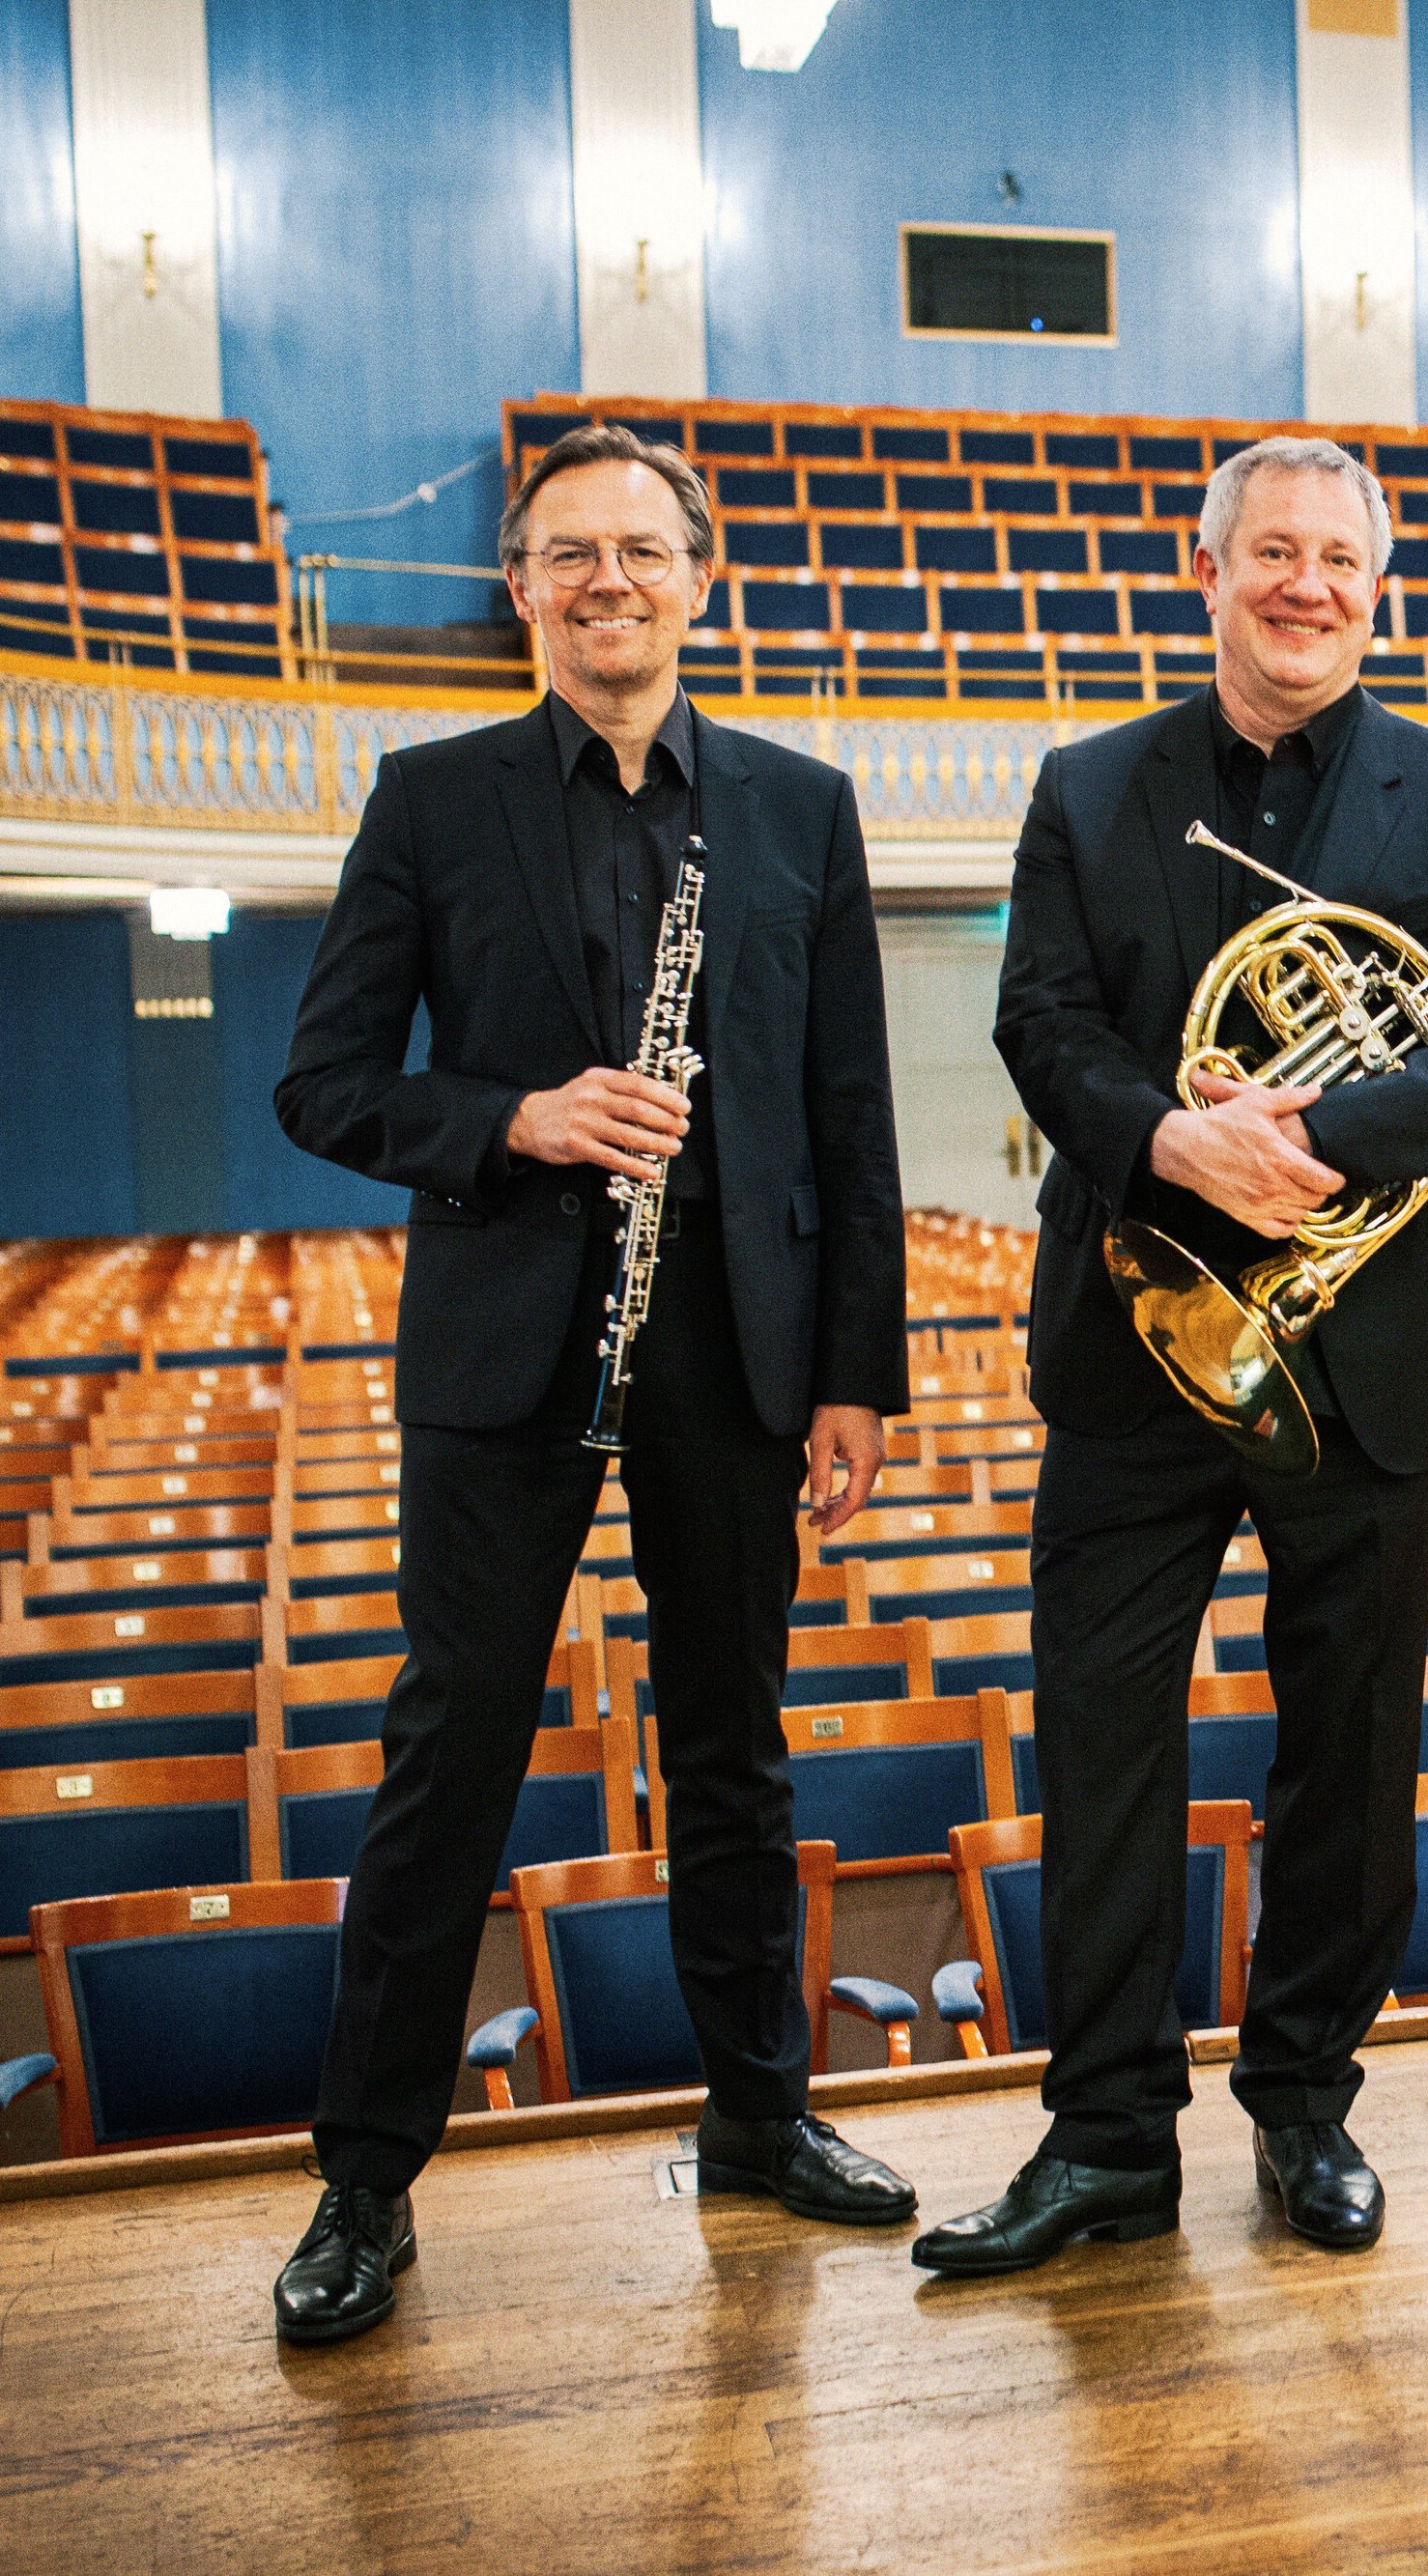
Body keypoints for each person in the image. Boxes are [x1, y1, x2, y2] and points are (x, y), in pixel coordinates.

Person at [270, 423, 913, 2345]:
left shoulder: (800, 806)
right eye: (569, 554)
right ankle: (366, 2181)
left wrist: (856, 1373)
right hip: (506, 1347)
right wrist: (518, 1118)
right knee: (451, 1752)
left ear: (697, 579)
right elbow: (325, 1082)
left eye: (642, 550)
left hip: (736, 1348)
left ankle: (762, 2112)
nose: (606, 580)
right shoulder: (431, 793)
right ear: (524, 587)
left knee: (735, 1745)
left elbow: (851, 1120)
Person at [917, 438, 1428, 2274]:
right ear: (1207, 573)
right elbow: (1036, 1016)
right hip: (1140, 1340)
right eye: (1268, 553)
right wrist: (1167, 1139)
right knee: (1105, 1745)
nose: (1305, 586)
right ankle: (1108, 2134)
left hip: (1374, 1354)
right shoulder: (1090, 786)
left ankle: (1304, 2105)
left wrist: (1318, 1136)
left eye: (1337, 561)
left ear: (1380, 586)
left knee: (1349, 1754)